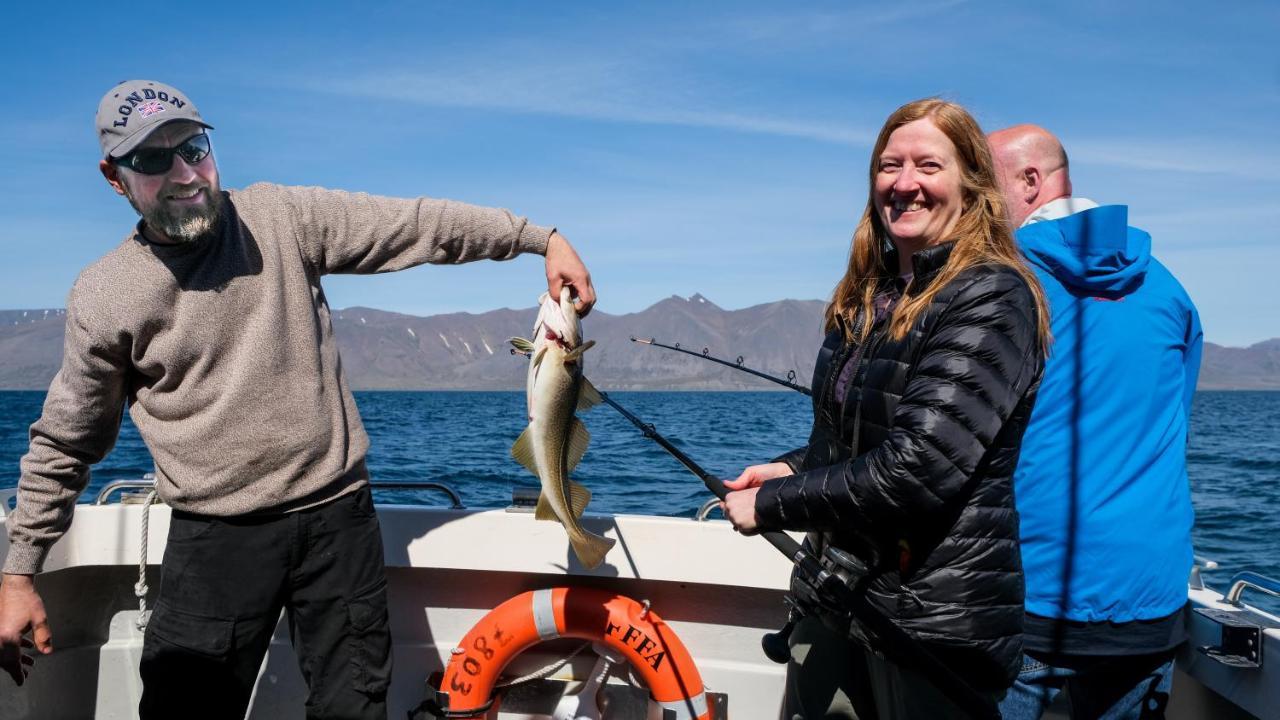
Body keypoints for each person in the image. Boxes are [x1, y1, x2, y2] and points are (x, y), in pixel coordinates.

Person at [0, 79, 596, 719]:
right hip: (215, 540)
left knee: (355, 708)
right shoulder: (106, 294)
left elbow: (416, 225)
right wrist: (18, 572)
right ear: (114, 178)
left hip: (338, 523)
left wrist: (541, 237)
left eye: (193, 147)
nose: (184, 173)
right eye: (151, 159)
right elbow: (66, 440)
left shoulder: (281, 218)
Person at [722, 98, 1051, 719]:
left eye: (928, 165)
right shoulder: (870, 294)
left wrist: (771, 506)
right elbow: (858, 437)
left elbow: (920, 466)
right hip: (840, 597)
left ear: (971, 183)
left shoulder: (991, 294)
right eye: (889, 165)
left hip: (928, 623)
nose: (905, 184)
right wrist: (796, 467)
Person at [988, 124, 1202, 719]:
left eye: (984, 181)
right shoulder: (1169, 289)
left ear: (1031, 181)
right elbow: (1172, 427)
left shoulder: (1000, 284)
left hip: (1028, 593)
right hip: (1149, 598)